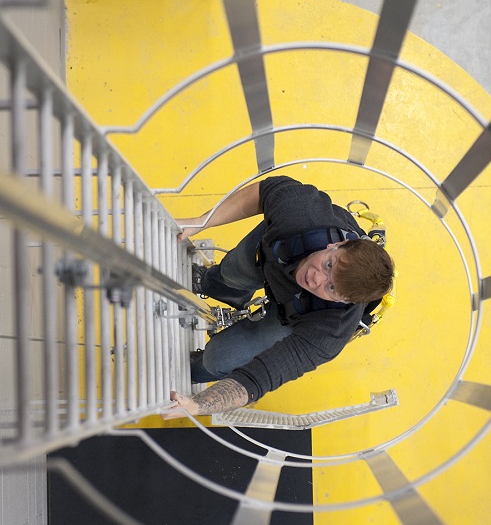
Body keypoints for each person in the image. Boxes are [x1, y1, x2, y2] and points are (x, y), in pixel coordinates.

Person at [168, 175, 395, 417]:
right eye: (329, 266)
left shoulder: (330, 331)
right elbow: (267, 191)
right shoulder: (303, 215)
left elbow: (263, 375)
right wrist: (201, 222)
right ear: (334, 246)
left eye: (331, 289)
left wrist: (198, 406)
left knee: (219, 359)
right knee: (237, 269)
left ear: (343, 302)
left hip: (299, 317)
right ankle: (213, 284)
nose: (316, 278)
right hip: (279, 252)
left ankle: (194, 368)